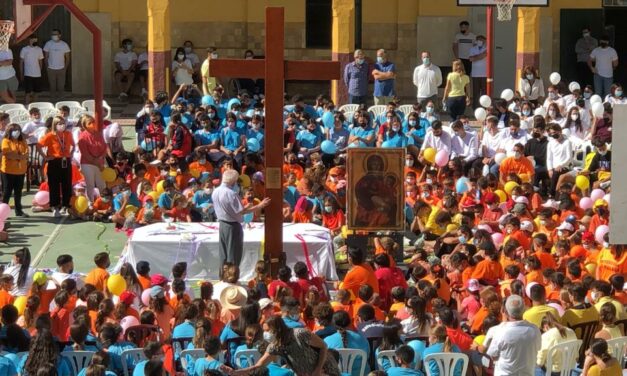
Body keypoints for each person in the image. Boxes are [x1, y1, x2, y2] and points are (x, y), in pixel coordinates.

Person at [237, 315, 341, 375]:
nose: (265, 334)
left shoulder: (300, 334)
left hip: (326, 370)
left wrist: (318, 369)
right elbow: (259, 365)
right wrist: (237, 372)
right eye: (264, 331)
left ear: (277, 329)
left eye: (268, 330)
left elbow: (323, 346)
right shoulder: (275, 346)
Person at [212, 169, 270, 270]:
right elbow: (241, 212)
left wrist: (246, 207)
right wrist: (260, 206)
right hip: (232, 226)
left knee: (224, 254)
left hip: (223, 224)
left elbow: (235, 210)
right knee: (233, 254)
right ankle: (232, 277)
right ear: (233, 181)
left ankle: (223, 276)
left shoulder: (216, 191)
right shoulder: (231, 193)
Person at [487, 295, 541, 376]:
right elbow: (538, 348)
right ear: (524, 310)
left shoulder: (500, 331)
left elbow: (492, 356)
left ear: (506, 311)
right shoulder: (535, 329)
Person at [37, 116, 75, 217]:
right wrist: (45, 157)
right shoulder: (50, 136)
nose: (62, 125)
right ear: (55, 125)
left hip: (66, 161)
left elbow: (73, 145)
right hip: (54, 161)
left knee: (66, 184)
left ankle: (66, 206)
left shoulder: (68, 134)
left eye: (63, 123)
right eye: (59, 123)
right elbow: (39, 145)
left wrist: (71, 153)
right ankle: (55, 207)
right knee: (54, 185)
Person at [77, 115, 107, 208]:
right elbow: (85, 154)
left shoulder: (98, 134)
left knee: (102, 184)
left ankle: (104, 201)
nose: (92, 124)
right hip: (87, 163)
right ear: (85, 125)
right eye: (89, 123)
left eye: (93, 122)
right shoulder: (82, 137)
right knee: (90, 184)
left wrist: (101, 158)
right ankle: (90, 203)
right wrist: (96, 162)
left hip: (100, 162)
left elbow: (104, 148)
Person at [1, 123, 28, 217]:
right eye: (14, 130)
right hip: (8, 170)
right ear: (9, 131)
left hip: (20, 170)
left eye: (18, 130)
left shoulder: (22, 141)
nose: (16, 132)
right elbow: (8, 154)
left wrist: (16, 156)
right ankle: (3, 213)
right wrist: (20, 156)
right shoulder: (6, 141)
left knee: (18, 191)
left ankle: (18, 211)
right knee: (7, 192)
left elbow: (26, 154)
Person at [43, 29, 71, 97]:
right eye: (53, 34)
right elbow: (46, 57)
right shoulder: (48, 44)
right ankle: (52, 100)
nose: (54, 36)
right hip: (51, 69)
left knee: (61, 86)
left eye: (55, 34)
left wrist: (65, 68)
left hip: (61, 68)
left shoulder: (64, 45)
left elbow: (67, 58)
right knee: (52, 86)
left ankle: (61, 101)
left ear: (59, 35)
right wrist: (47, 67)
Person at [546, 124, 572, 197]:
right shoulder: (550, 143)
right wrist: (549, 169)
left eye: (554, 132)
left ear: (560, 131)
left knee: (556, 173)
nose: (553, 135)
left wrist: (561, 165)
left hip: (564, 166)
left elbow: (569, 158)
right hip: (554, 168)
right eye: (551, 133)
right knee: (551, 172)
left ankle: (551, 194)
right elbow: (549, 158)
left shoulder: (567, 142)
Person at [19, 34, 44, 104]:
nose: (34, 42)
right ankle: (27, 106)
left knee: (36, 92)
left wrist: (39, 72)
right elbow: (21, 62)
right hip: (28, 74)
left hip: (37, 75)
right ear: (29, 40)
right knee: (28, 92)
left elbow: (40, 62)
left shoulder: (39, 49)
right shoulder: (24, 49)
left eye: (36, 40)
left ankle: (34, 105)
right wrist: (21, 73)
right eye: (33, 40)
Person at [468, 35, 487, 109]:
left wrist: (476, 57)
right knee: (476, 92)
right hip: (475, 74)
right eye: (478, 40)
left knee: (484, 92)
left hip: (485, 74)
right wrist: (481, 55)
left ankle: (484, 107)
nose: (480, 42)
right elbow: (471, 59)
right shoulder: (472, 49)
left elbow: (483, 55)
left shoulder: (487, 48)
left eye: (481, 40)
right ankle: (475, 107)